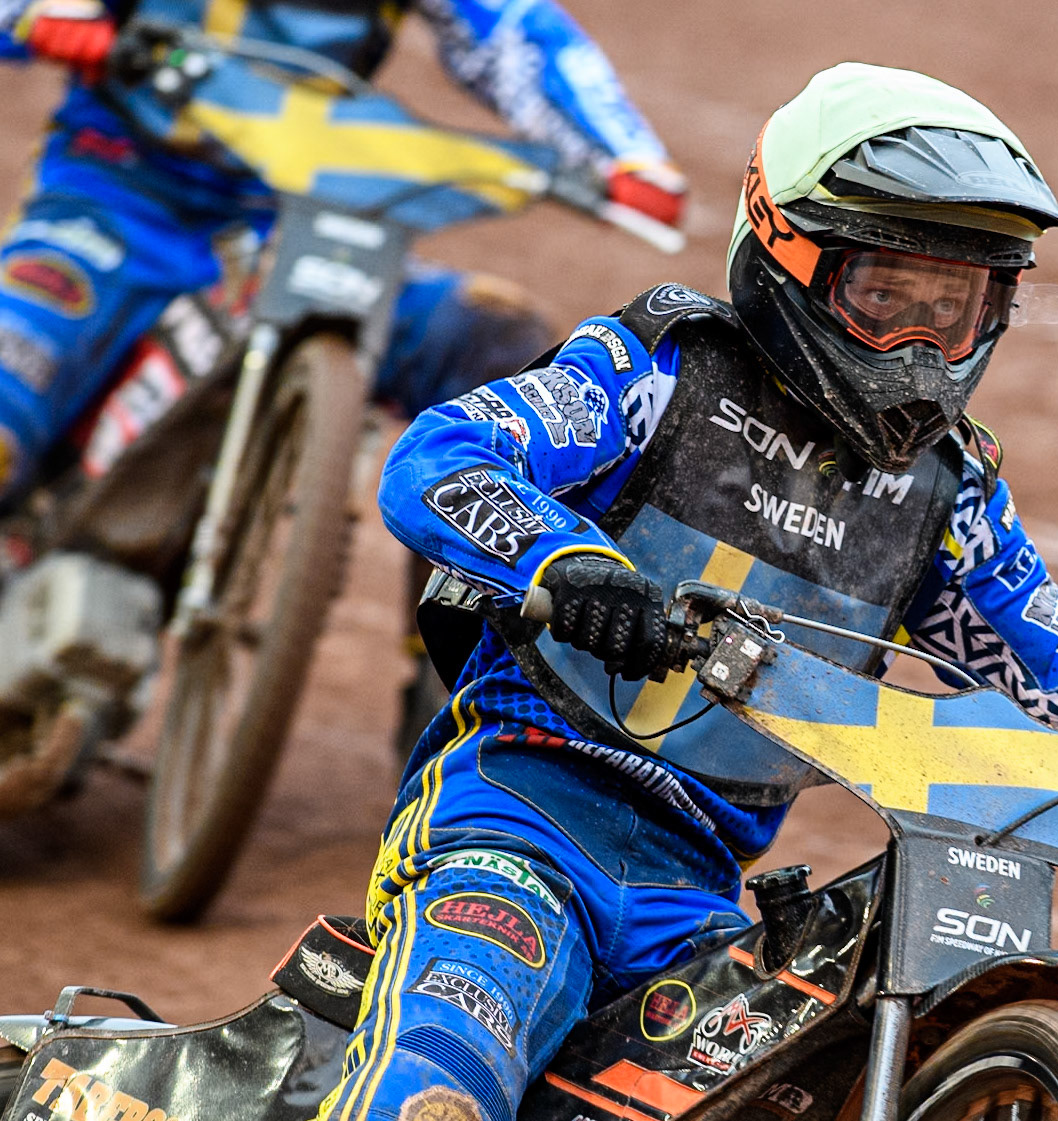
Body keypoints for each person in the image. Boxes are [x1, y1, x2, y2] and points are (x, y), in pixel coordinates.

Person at [337, 63, 1058, 1121]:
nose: (920, 349)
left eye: (950, 310)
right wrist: (569, 564)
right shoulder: (653, 372)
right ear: (787, 253)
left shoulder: (940, 499)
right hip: (512, 833)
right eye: (886, 298)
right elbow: (444, 455)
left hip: (694, 901)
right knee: (438, 1084)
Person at [0, 0, 685, 738]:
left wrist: (623, 156)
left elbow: (513, 28)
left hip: (300, 220)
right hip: (115, 203)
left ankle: (458, 708)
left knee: (491, 339)